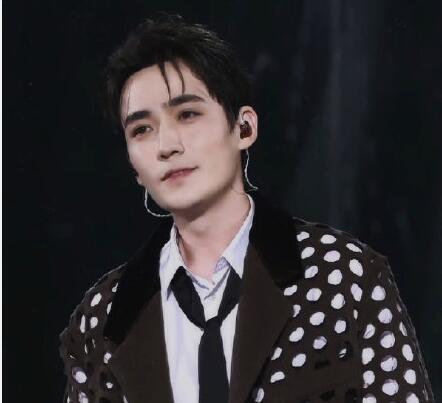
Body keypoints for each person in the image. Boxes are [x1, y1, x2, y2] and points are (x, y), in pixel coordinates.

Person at [59, 15, 435, 403]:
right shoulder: (102, 318)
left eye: (187, 114)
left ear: (244, 128)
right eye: (141, 129)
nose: (167, 145)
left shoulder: (344, 276)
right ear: (134, 166)